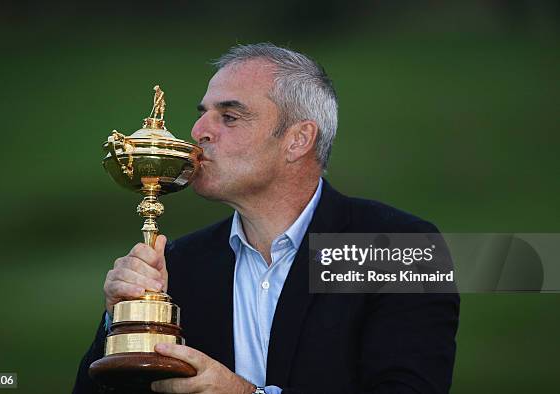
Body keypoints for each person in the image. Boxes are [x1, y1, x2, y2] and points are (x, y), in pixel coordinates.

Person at [74, 43, 459, 394]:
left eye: (229, 116)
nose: (198, 132)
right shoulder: (178, 266)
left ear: (298, 140)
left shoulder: (396, 248)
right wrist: (121, 322)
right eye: (204, 113)